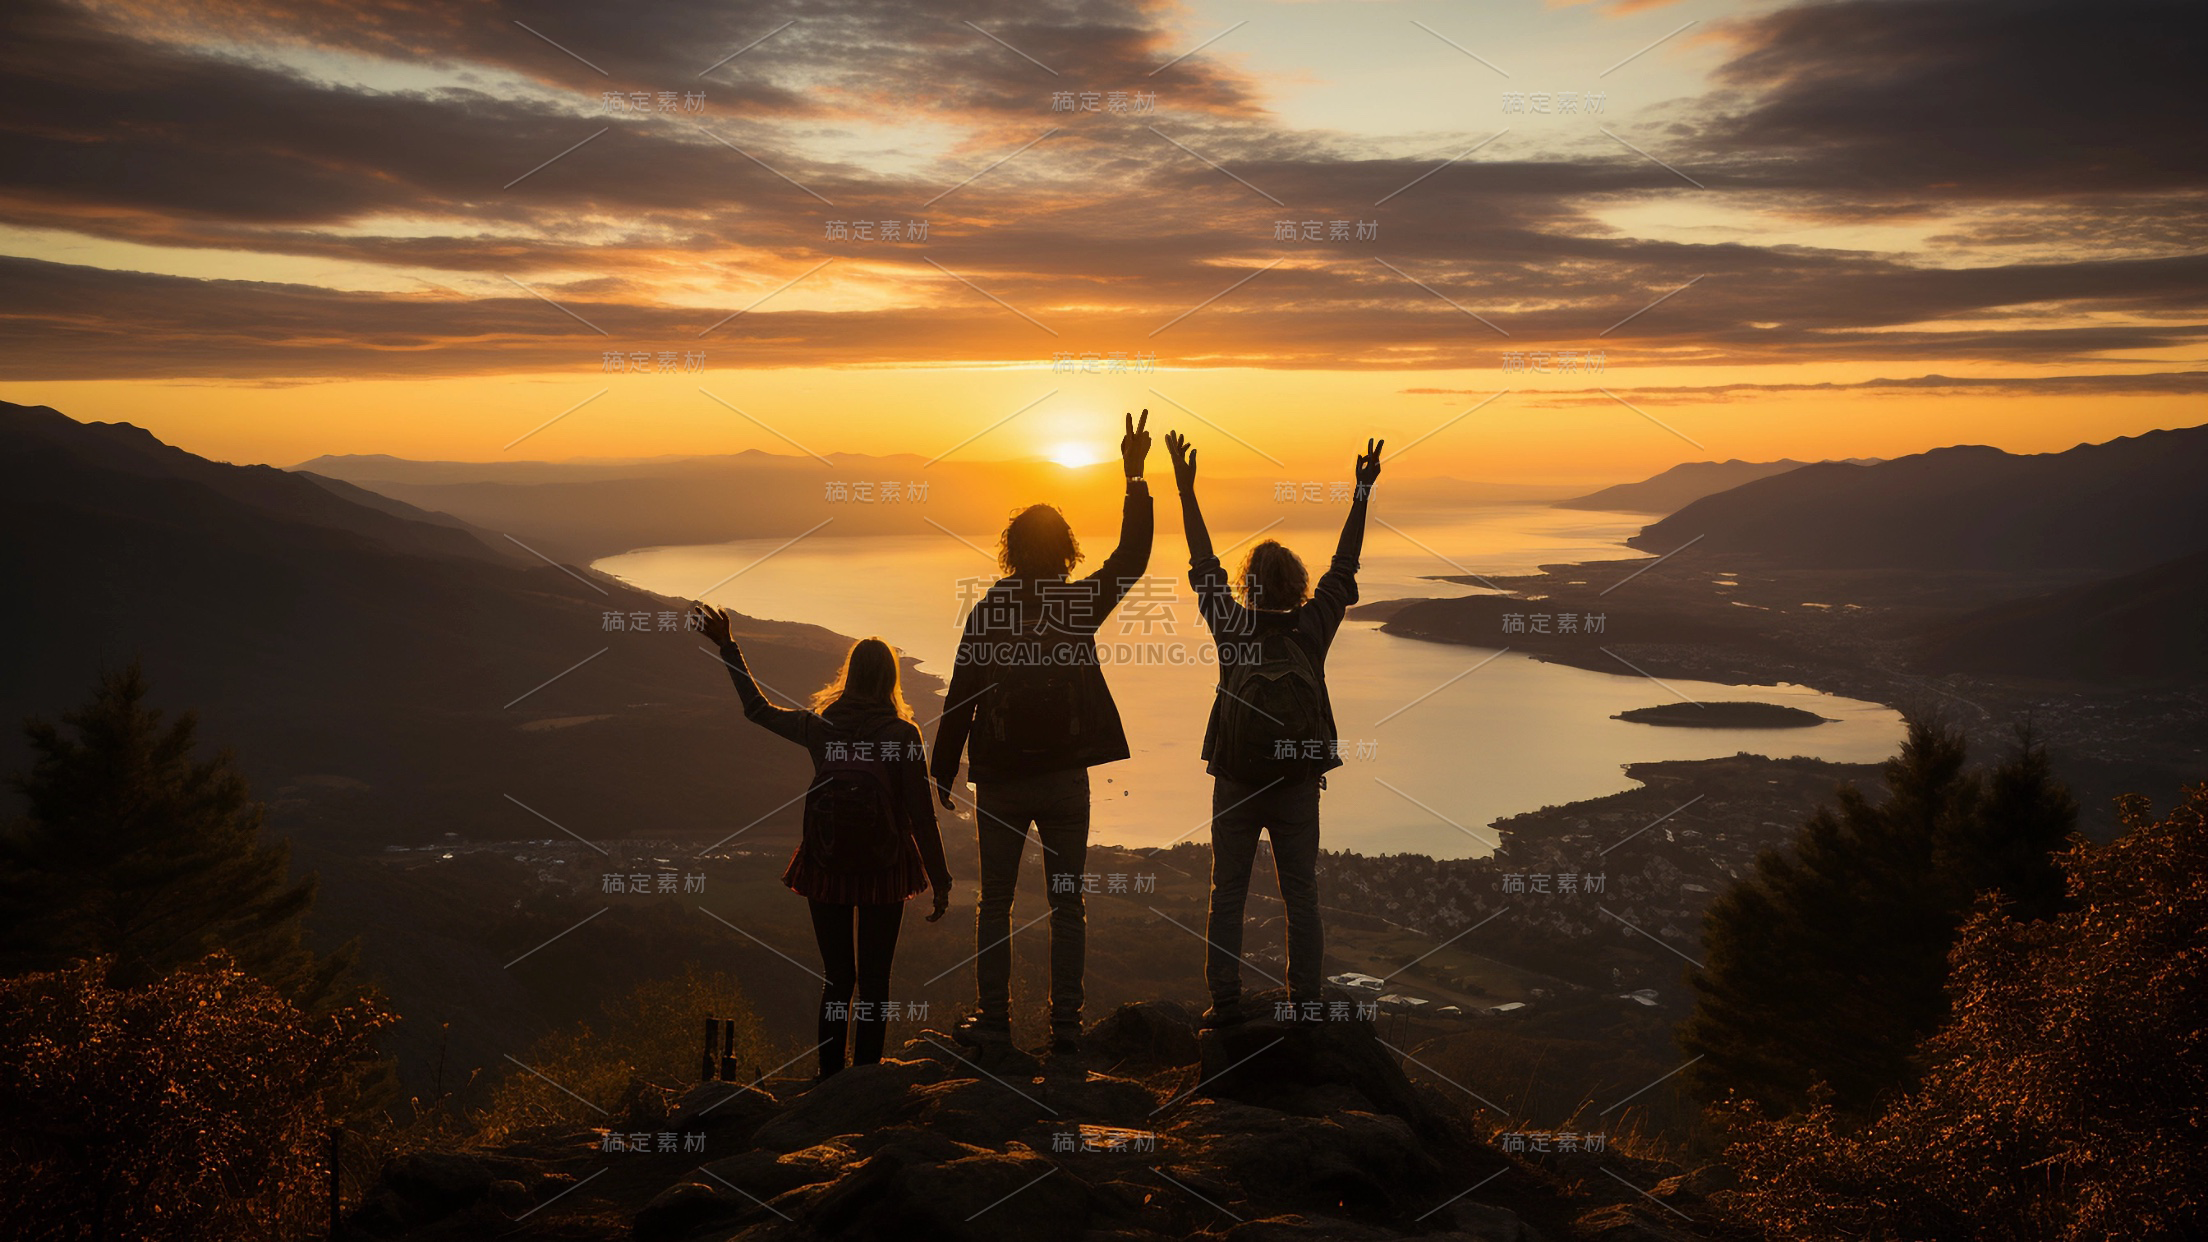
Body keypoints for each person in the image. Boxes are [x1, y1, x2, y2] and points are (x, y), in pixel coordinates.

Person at [930, 411, 1154, 1054]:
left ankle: (995, 1023)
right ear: (1064, 551)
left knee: (995, 902)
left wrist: (942, 773)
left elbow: (962, 694)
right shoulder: (1075, 604)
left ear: (1009, 550)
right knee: (1068, 905)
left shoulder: (991, 608)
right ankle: (1065, 1029)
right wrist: (1134, 476)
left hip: (1000, 778)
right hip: (1063, 777)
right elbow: (1133, 558)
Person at [1164, 430, 1381, 1027]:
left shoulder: (1231, 626)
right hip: (1296, 781)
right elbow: (1346, 564)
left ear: (1248, 584)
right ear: (1297, 584)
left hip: (1236, 778)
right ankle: (1305, 1000)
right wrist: (1361, 491)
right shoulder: (1314, 627)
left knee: (1227, 892)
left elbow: (1201, 560)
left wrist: (1186, 488)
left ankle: (1226, 1001)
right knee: (1301, 894)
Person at [692, 605, 952, 1077]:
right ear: (890, 680)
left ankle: (830, 1078)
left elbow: (757, 711)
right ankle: (867, 1080)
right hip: (885, 870)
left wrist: (729, 646)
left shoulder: (820, 727)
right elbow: (922, 816)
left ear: (849, 676)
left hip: (826, 864)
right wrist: (942, 880)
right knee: (874, 982)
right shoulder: (902, 735)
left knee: (837, 980)